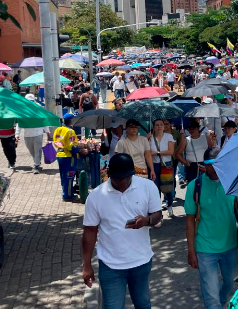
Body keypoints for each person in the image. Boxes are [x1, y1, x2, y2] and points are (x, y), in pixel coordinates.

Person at [82, 153, 163, 309]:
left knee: (143, 304)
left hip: (141, 261)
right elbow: (89, 232)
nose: (123, 181)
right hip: (110, 265)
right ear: (109, 174)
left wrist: (146, 221)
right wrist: (86, 266)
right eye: (118, 178)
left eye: (127, 177)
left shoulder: (148, 187)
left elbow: (157, 214)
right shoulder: (96, 196)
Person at [185, 156, 238, 309]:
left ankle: (221, 302)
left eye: (217, 164)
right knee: (211, 296)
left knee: (230, 284)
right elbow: (189, 220)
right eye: (209, 165)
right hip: (205, 248)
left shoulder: (233, 184)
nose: (213, 169)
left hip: (230, 246)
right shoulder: (194, 186)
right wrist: (191, 250)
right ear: (204, 165)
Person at [148, 120, 178, 218]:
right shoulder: (150, 138)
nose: (159, 127)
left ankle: (169, 204)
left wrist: (156, 153)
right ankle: (157, 211)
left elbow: (171, 151)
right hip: (154, 165)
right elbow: (147, 153)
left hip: (166, 164)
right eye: (157, 125)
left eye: (161, 125)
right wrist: (146, 139)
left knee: (168, 188)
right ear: (153, 127)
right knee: (155, 188)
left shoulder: (169, 136)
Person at [177, 119, 213, 190]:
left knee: (205, 186)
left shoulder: (206, 138)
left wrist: (214, 140)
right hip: (191, 166)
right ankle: (193, 200)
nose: (191, 130)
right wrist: (185, 163)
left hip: (204, 164)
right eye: (189, 128)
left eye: (193, 128)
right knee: (192, 186)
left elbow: (211, 149)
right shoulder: (186, 140)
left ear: (198, 128)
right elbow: (178, 153)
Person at [52, 125, 84, 202]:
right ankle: (68, 195)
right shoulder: (70, 131)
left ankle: (65, 192)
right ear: (71, 121)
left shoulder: (58, 129)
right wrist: (79, 150)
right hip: (69, 156)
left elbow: (55, 141)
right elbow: (71, 146)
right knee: (69, 177)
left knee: (63, 176)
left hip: (60, 154)